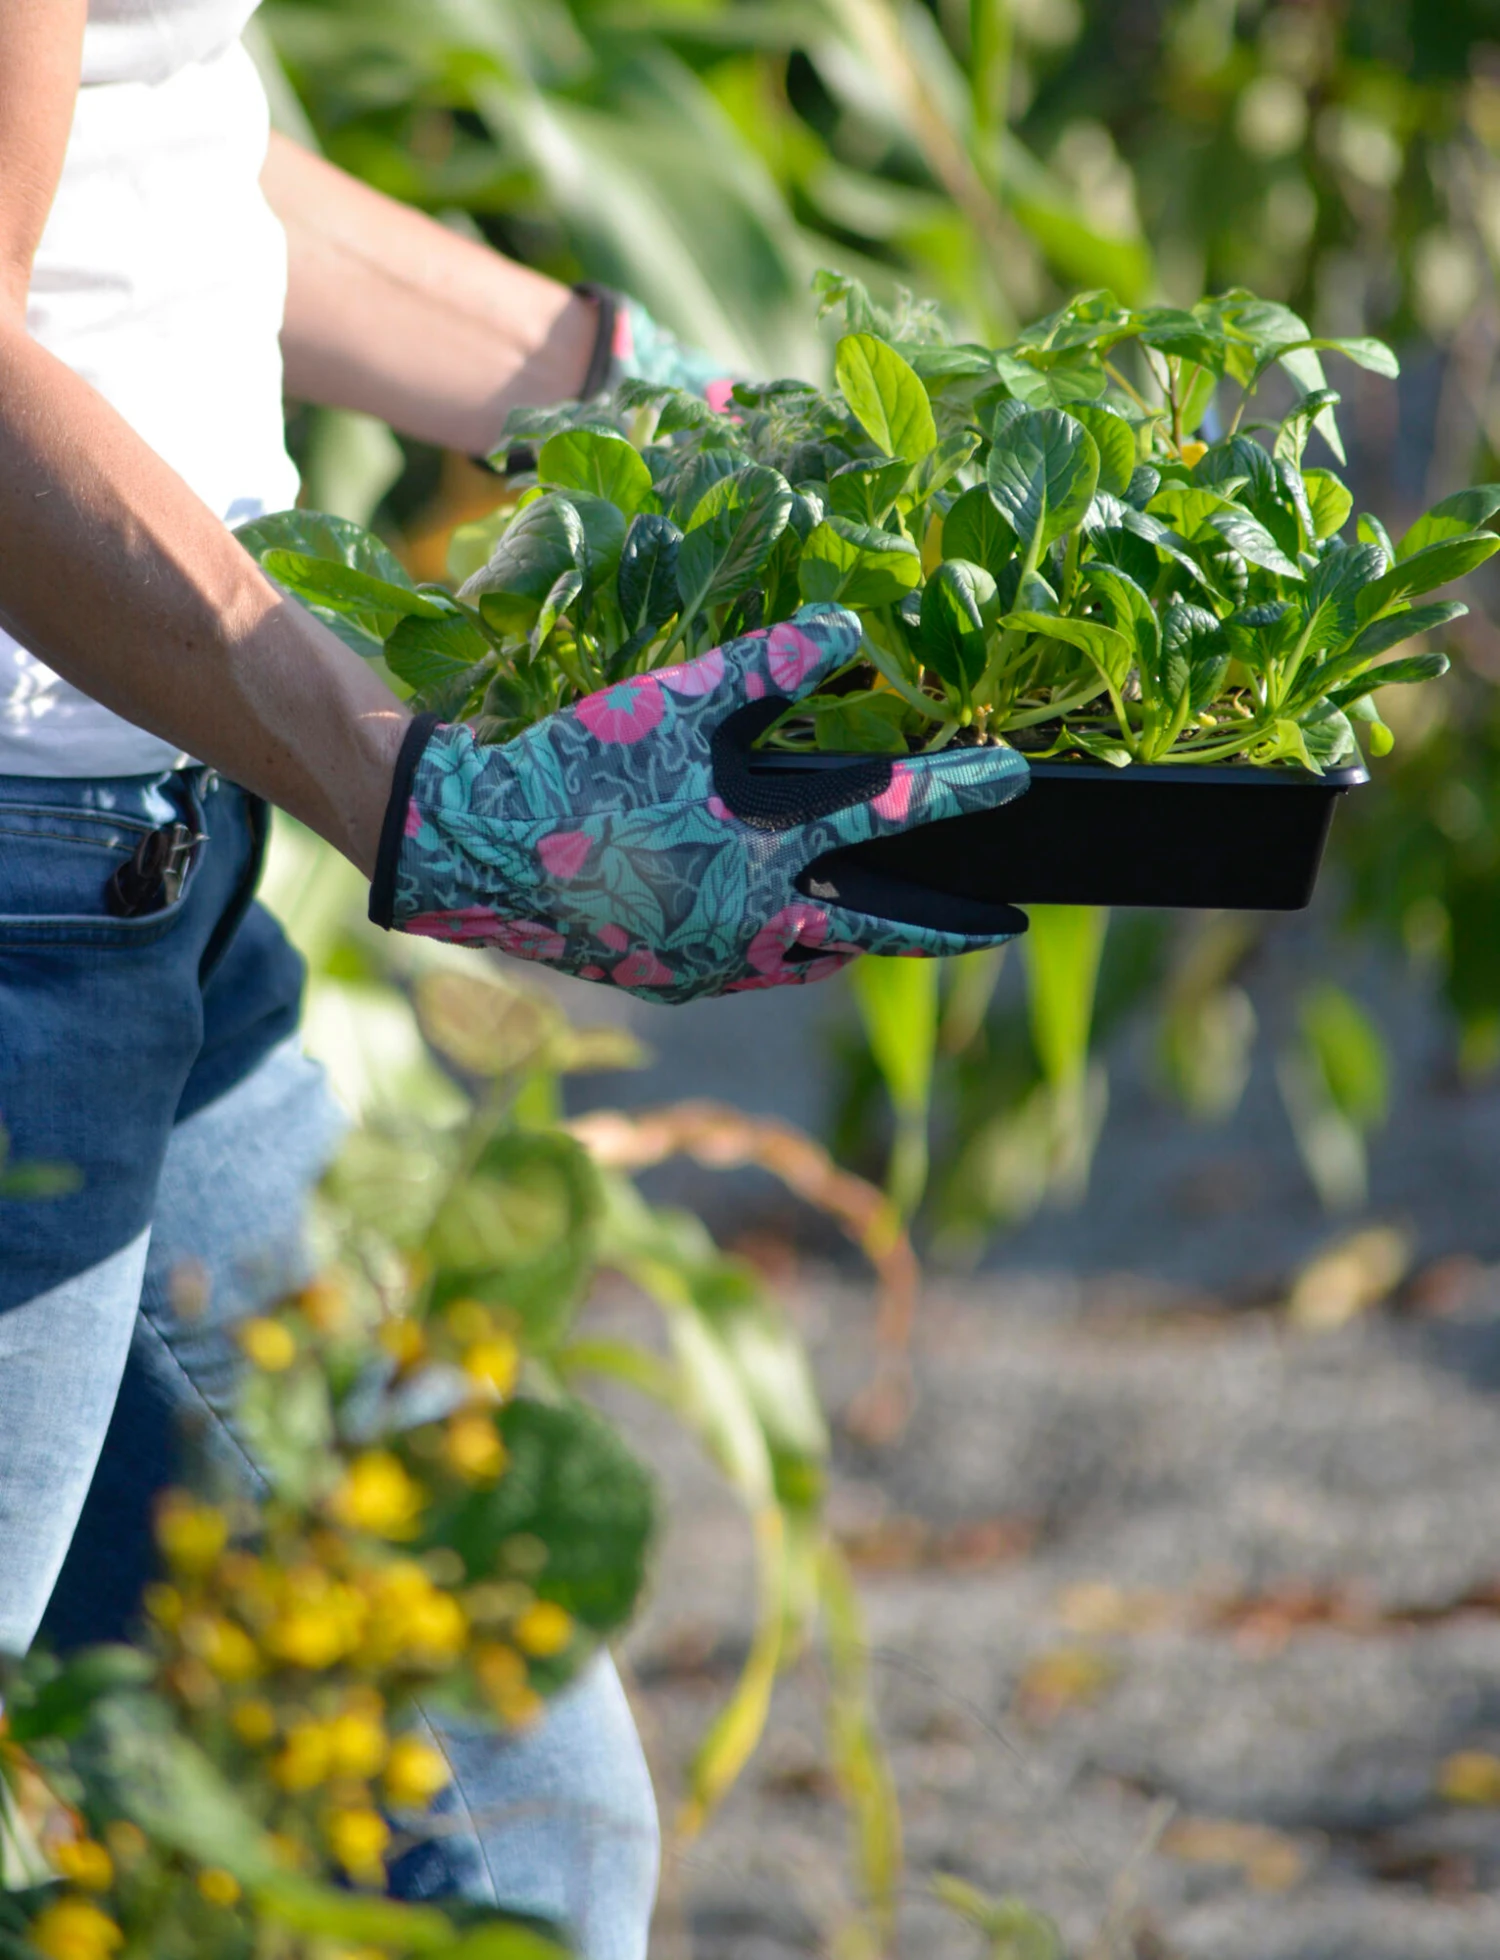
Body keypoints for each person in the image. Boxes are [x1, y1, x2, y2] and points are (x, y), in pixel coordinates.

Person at [0, 2, 1028, 1952]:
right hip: (25, 900)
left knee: (500, 1822)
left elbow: (151, 155)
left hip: (153, 876)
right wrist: (429, 797)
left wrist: (666, 417)